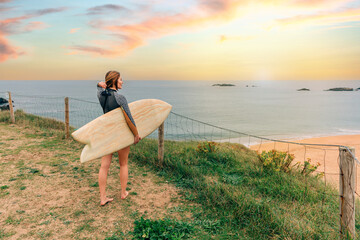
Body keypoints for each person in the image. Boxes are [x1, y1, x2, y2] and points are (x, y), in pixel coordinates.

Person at [96, 70, 141, 206]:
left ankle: (103, 198)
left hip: (107, 134)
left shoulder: (100, 95)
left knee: (104, 167)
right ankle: (123, 192)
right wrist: (136, 134)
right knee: (123, 164)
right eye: (120, 79)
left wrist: (101, 83)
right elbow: (129, 119)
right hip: (120, 135)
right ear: (115, 80)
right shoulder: (120, 98)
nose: (122, 82)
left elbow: (98, 85)